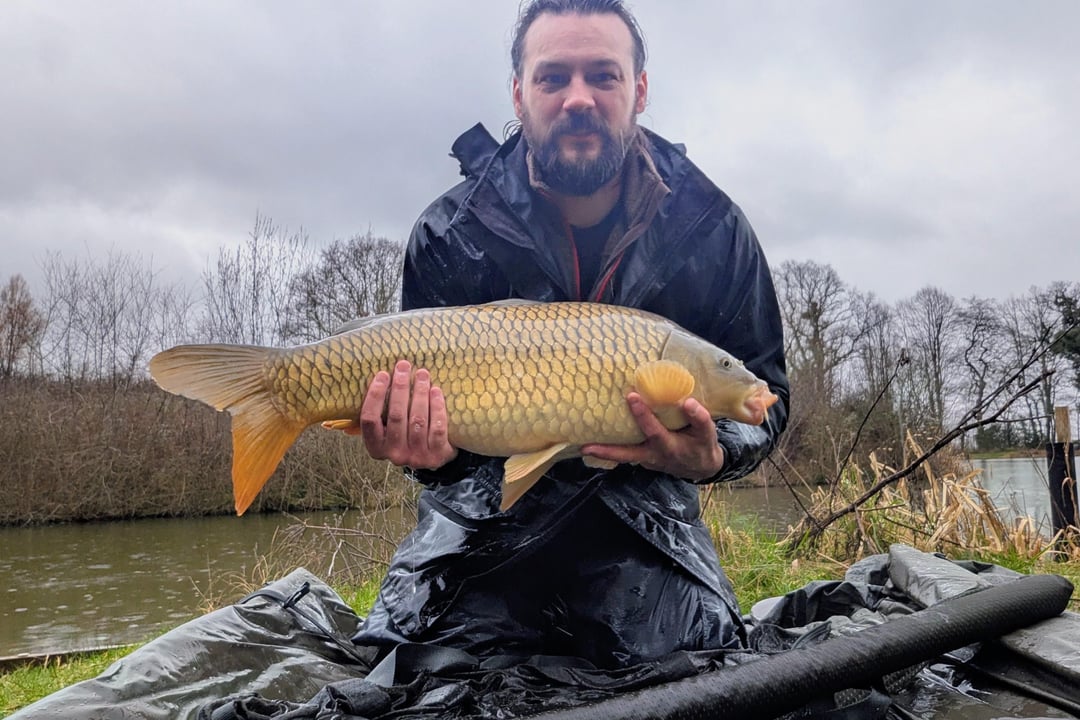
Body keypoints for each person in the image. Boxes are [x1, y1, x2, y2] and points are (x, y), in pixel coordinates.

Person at [349, 0, 789, 668]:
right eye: (553, 77)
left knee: (702, 676)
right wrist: (426, 456)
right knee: (421, 675)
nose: (578, 98)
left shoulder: (712, 229)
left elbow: (766, 396)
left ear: (639, 89)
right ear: (519, 94)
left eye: (603, 76)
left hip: (650, 522)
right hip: (479, 519)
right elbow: (436, 458)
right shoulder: (448, 233)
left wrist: (714, 454)